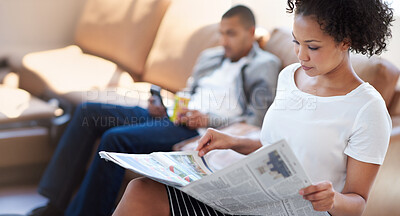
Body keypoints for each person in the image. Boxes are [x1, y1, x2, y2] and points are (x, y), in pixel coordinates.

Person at [112, 0, 394, 215]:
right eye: (296, 42)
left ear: (345, 42)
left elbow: (358, 202)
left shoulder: (367, 109)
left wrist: (332, 199)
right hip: (253, 201)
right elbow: (276, 147)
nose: (300, 54)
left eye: (313, 46)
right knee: (141, 191)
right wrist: (232, 141)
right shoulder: (289, 77)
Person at [27, 5, 281, 216]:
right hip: (175, 114)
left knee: (115, 139)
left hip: (199, 128)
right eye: (221, 33)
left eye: (232, 34)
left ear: (250, 32)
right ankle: (53, 205)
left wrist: (208, 119)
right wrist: (166, 105)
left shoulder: (265, 64)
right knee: (88, 111)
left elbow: (255, 119)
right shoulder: (211, 56)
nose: (224, 40)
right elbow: (189, 91)